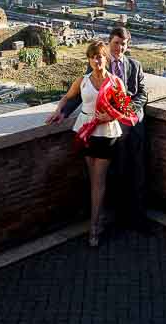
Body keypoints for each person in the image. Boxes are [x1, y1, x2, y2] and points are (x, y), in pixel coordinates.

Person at [51, 27, 150, 233]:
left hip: (131, 125)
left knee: (136, 172)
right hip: (103, 130)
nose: (120, 47)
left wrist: (124, 112)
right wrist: (63, 112)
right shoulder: (97, 66)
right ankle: (107, 218)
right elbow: (80, 93)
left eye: (123, 44)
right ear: (108, 44)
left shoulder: (135, 65)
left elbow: (142, 94)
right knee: (108, 175)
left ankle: (137, 218)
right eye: (116, 43)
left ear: (127, 45)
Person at [46, 40, 124, 247]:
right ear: (89, 60)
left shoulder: (116, 81)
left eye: (100, 56)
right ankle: (100, 218)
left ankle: (94, 227)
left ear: (105, 58)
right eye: (93, 57)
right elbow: (66, 98)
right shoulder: (82, 80)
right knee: (93, 181)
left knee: (98, 182)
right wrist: (58, 111)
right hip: (86, 132)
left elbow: (125, 109)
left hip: (106, 133)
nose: (97, 60)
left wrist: (109, 117)